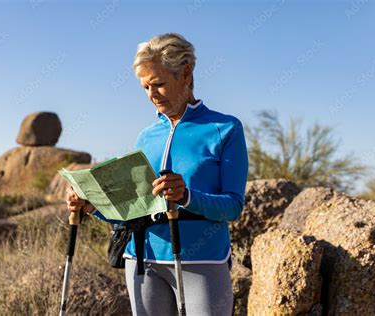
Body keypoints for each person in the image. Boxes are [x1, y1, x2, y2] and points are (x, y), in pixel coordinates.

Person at [65, 33, 248, 316]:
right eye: (145, 87)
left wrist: (186, 196)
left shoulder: (225, 129)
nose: (151, 94)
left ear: (185, 74)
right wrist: (90, 206)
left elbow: (232, 206)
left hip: (202, 261)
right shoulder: (146, 137)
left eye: (159, 84)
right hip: (141, 261)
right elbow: (131, 209)